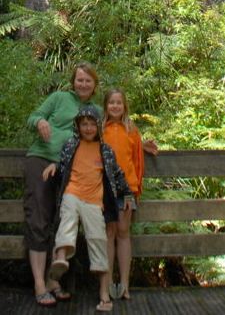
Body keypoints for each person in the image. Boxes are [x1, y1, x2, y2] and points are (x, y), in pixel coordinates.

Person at [43, 104, 134, 313]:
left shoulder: (105, 150)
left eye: (92, 124)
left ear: (98, 127)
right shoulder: (71, 145)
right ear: (78, 126)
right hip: (72, 194)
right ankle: (60, 259)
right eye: (84, 124)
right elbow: (61, 162)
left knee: (98, 241)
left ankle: (104, 293)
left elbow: (118, 174)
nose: (88, 128)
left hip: (94, 202)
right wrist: (53, 166)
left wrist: (127, 194)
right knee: (67, 221)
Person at [24, 61, 100, 307]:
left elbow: (112, 133)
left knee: (63, 220)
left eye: (88, 80)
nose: (83, 84)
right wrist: (40, 123)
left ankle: (53, 280)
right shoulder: (58, 98)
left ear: (95, 85)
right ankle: (38, 284)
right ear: (73, 81)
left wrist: (138, 145)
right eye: (79, 79)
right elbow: (32, 117)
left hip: (71, 167)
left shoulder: (96, 110)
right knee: (39, 217)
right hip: (42, 158)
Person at [102, 88, 144, 301]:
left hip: (127, 189)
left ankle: (125, 284)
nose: (115, 106)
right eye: (111, 103)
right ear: (106, 106)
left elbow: (137, 161)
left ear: (124, 106)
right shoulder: (101, 130)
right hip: (105, 190)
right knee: (108, 234)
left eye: (119, 103)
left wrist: (137, 190)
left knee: (123, 233)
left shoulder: (132, 130)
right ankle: (108, 284)